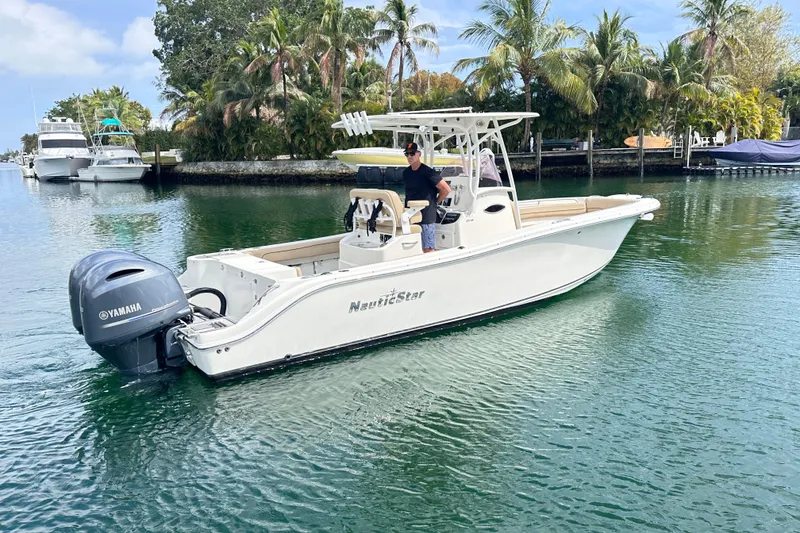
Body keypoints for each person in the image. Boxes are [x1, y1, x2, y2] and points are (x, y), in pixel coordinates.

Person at [402, 142, 451, 253]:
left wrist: (435, 202)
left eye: (412, 153)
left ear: (419, 154)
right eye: (407, 154)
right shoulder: (406, 173)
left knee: (428, 248)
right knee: (413, 248)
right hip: (411, 215)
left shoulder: (428, 172)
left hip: (426, 215)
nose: (409, 156)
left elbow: (446, 189)